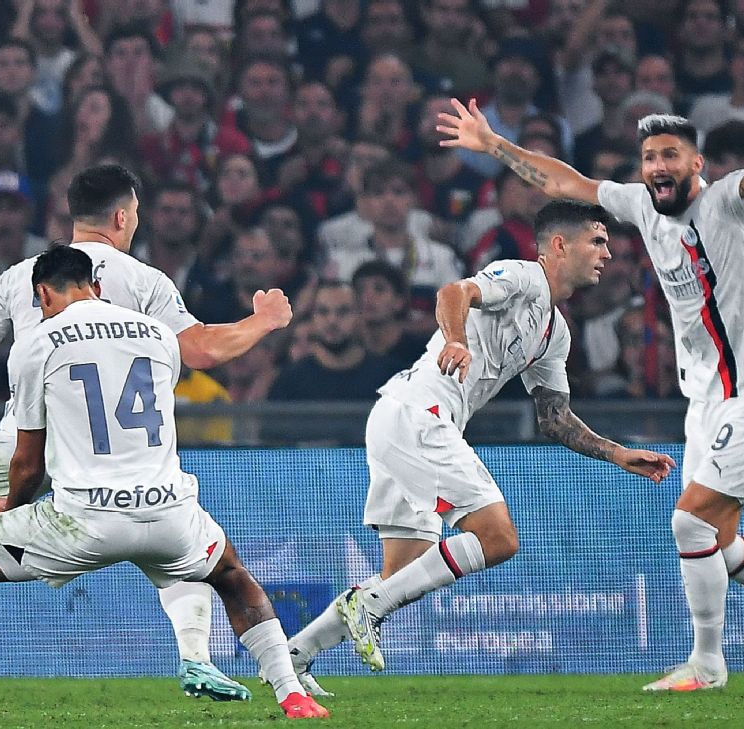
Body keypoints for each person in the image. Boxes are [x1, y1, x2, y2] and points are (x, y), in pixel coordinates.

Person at [436, 64, 744, 690]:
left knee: (690, 523)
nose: (657, 165)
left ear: (697, 165)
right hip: (706, 397)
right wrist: (493, 143)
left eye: (671, 156)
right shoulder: (639, 206)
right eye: (649, 156)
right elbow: (565, 181)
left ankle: (708, 664)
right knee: (719, 540)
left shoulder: (730, 202)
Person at [0, 164, 293, 705]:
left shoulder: (19, 277)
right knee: (179, 544)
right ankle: (198, 658)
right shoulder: (143, 280)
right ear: (124, 216)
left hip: (25, 438)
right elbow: (202, 351)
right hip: (119, 443)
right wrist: (261, 321)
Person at [284, 200, 675, 687]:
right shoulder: (522, 276)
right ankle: (365, 608)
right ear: (559, 245)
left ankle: (293, 657)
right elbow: (454, 291)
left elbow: (555, 420)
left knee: (401, 574)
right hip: (419, 414)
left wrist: (618, 453)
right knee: (498, 538)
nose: (607, 253)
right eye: (597, 241)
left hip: (400, 417)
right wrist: (456, 340)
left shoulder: (556, 333)